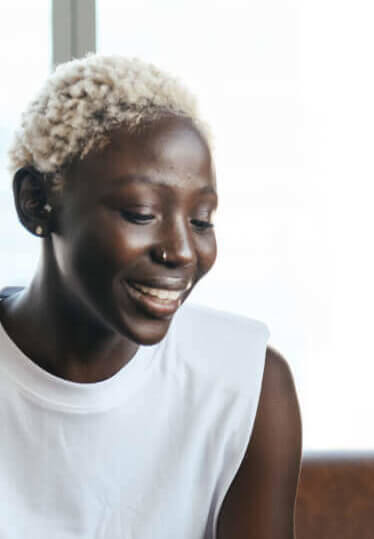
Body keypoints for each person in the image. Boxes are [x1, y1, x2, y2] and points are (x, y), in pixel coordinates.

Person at [0, 55, 301, 538]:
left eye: (201, 221)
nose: (181, 251)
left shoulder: (245, 386)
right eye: (141, 213)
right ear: (36, 202)